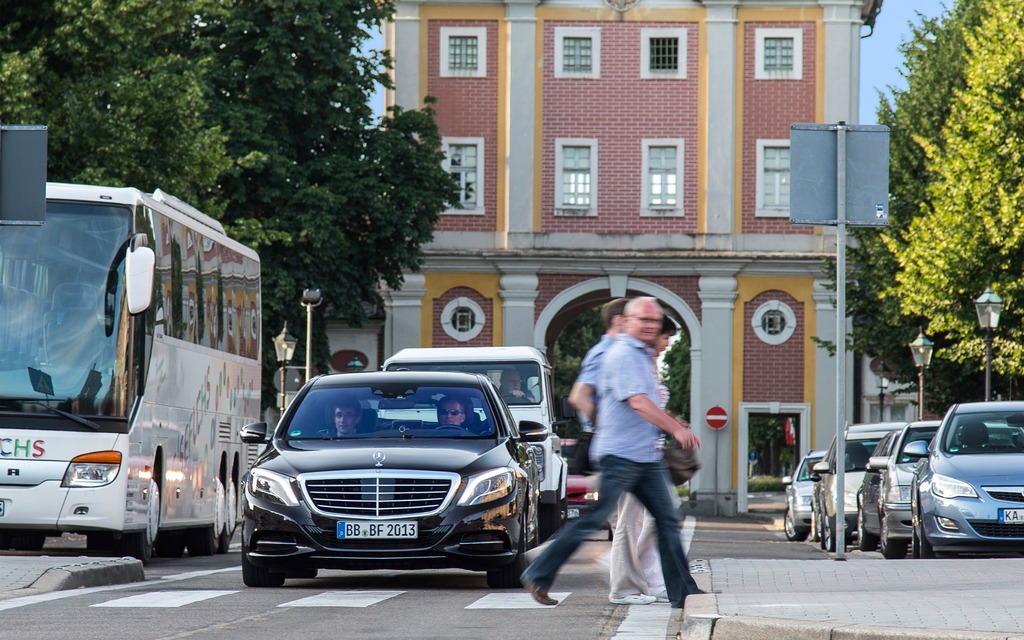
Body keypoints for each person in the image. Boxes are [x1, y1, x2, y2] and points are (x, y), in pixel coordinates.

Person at [521, 297, 702, 609]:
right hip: (620, 456)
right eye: (643, 320)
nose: (649, 327)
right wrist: (675, 428)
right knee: (596, 519)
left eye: (654, 322)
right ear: (626, 322)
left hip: (645, 457)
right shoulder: (623, 354)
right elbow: (638, 402)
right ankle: (539, 571)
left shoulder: (644, 356)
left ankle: (683, 593)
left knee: (667, 520)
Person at [608, 313, 680, 604]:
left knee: (661, 516)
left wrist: (671, 422)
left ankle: (648, 579)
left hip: (648, 455)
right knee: (630, 522)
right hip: (629, 454)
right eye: (665, 338)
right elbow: (634, 404)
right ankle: (623, 587)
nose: (666, 344)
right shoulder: (626, 359)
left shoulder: (648, 366)